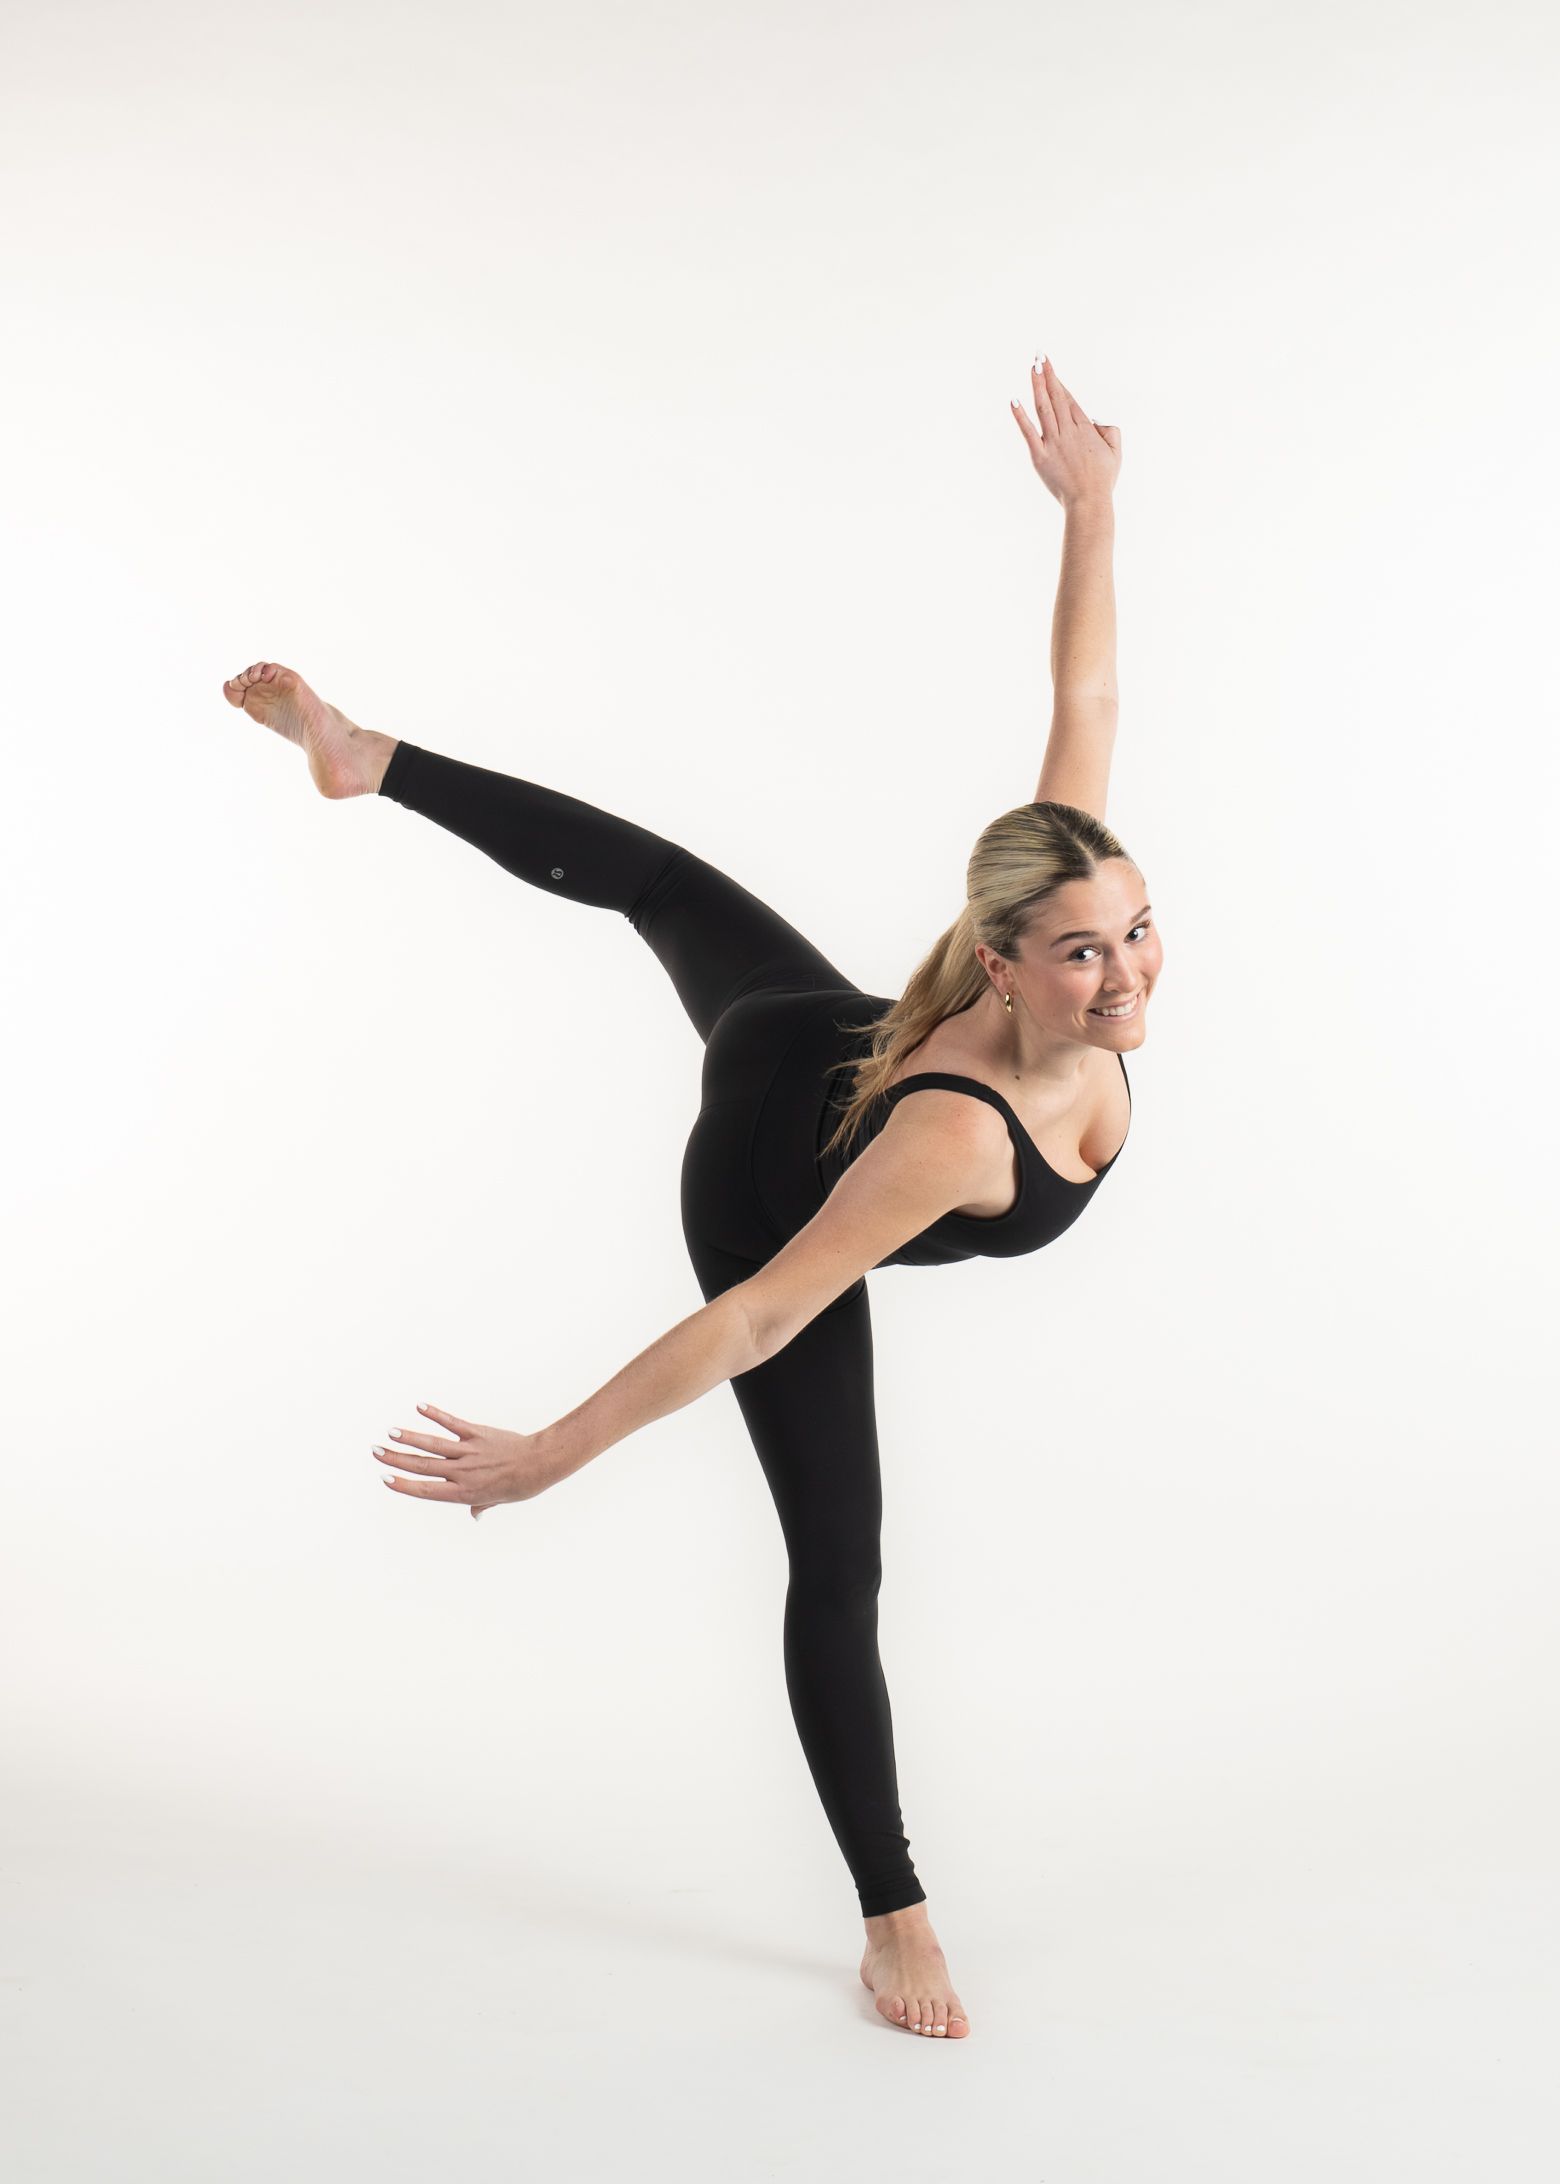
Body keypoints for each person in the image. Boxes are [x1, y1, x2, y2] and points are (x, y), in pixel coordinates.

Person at [220, 354, 1158, 2041]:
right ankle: (895, 1918)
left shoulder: (1050, 945)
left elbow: (1083, 712)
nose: (1126, 973)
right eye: (1084, 953)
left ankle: (367, 759)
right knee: (842, 1561)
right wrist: (543, 1461)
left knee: (650, 882)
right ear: (1008, 970)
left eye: (1135, 930)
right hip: (775, 1171)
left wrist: (1092, 508)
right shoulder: (954, 1138)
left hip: (830, 1031)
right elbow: (765, 1310)